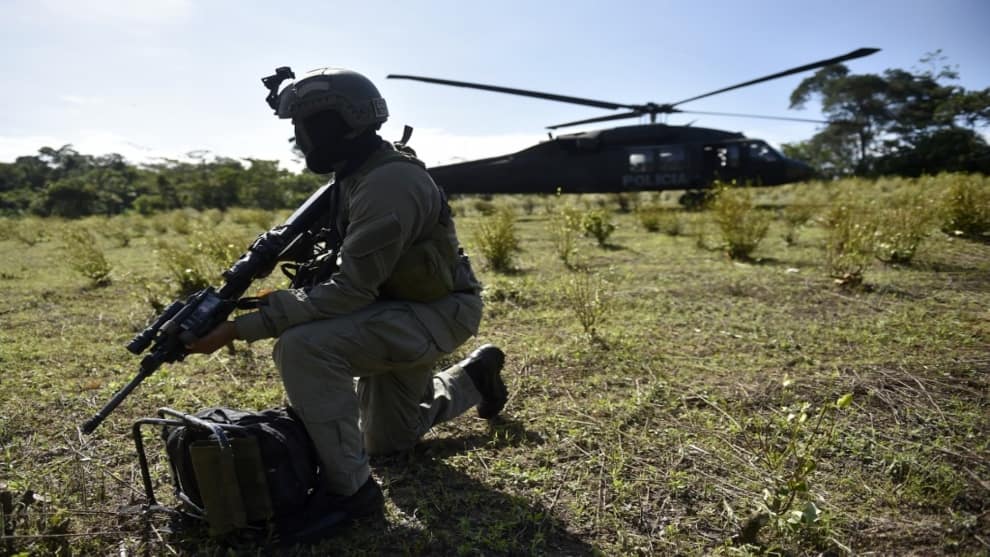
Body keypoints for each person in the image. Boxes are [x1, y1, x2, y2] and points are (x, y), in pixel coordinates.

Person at [187, 67, 507, 522]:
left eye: (307, 126)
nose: (300, 139)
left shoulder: (387, 183)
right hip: (393, 312)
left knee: (303, 348)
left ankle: (351, 494)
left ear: (345, 122)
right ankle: (476, 377)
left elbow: (350, 291)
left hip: (434, 313)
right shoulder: (354, 175)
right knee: (388, 441)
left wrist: (239, 328)